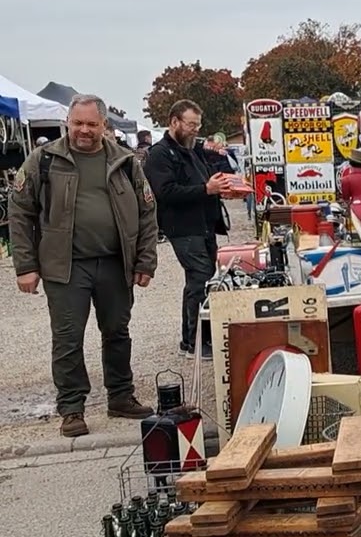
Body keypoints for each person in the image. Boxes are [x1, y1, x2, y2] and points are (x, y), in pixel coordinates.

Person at [8, 93, 159, 437]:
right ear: (67, 122)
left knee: (118, 332)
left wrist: (146, 260)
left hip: (114, 264)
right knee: (67, 338)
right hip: (65, 267)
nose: (84, 130)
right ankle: (72, 408)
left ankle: (120, 396)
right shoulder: (43, 160)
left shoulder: (126, 161)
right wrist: (25, 266)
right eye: (78, 123)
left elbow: (148, 211)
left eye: (92, 124)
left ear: (104, 126)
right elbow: (19, 213)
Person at [144, 100, 238, 359]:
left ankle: (194, 339)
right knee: (200, 279)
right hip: (183, 228)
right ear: (174, 122)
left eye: (198, 125)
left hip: (205, 225)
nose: (195, 130)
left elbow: (210, 178)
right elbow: (165, 192)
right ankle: (196, 342)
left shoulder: (192, 150)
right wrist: (205, 190)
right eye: (190, 124)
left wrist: (223, 189)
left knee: (204, 281)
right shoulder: (160, 154)